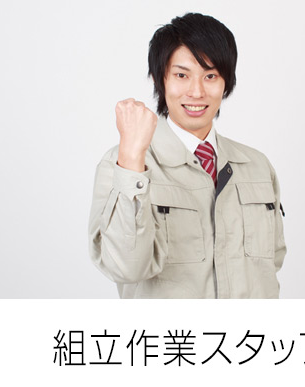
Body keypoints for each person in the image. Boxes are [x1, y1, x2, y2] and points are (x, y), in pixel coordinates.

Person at [88, 12, 286, 298]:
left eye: (210, 76)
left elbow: (271, 263)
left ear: (226, 82)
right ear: (159, 79)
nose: (196, 91)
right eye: (182, 75)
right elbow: (125, 268)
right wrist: (132, 156)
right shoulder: (122, 165)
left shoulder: (257, 166)